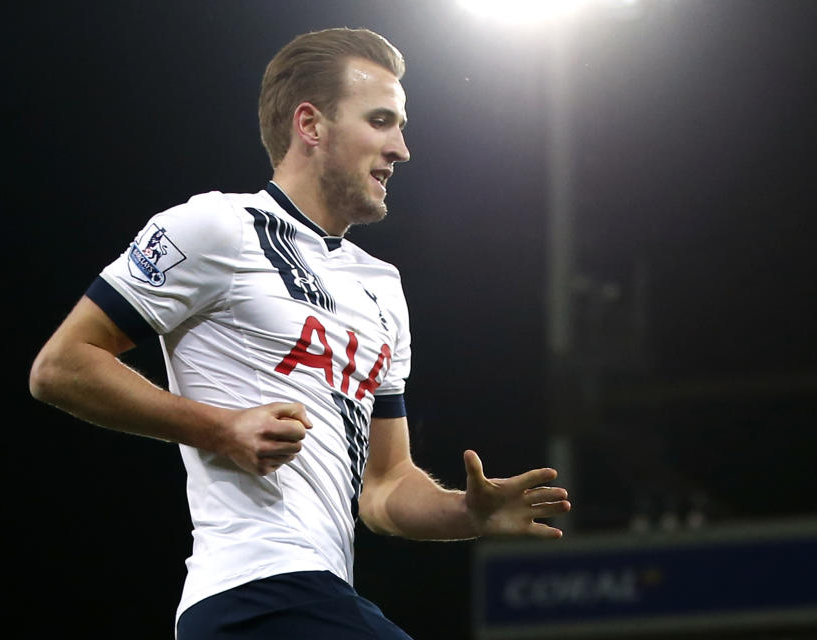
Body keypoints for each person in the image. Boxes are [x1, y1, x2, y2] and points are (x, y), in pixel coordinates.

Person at [29, 27, 570, 639]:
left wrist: (466, 511)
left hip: (313, 596)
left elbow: (385, 487)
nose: (402, 148)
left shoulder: (382, 287)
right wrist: (220, 427)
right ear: (310, 125)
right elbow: (61, 366)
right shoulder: (216, 226)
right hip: (253, 594)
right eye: (381, 120)